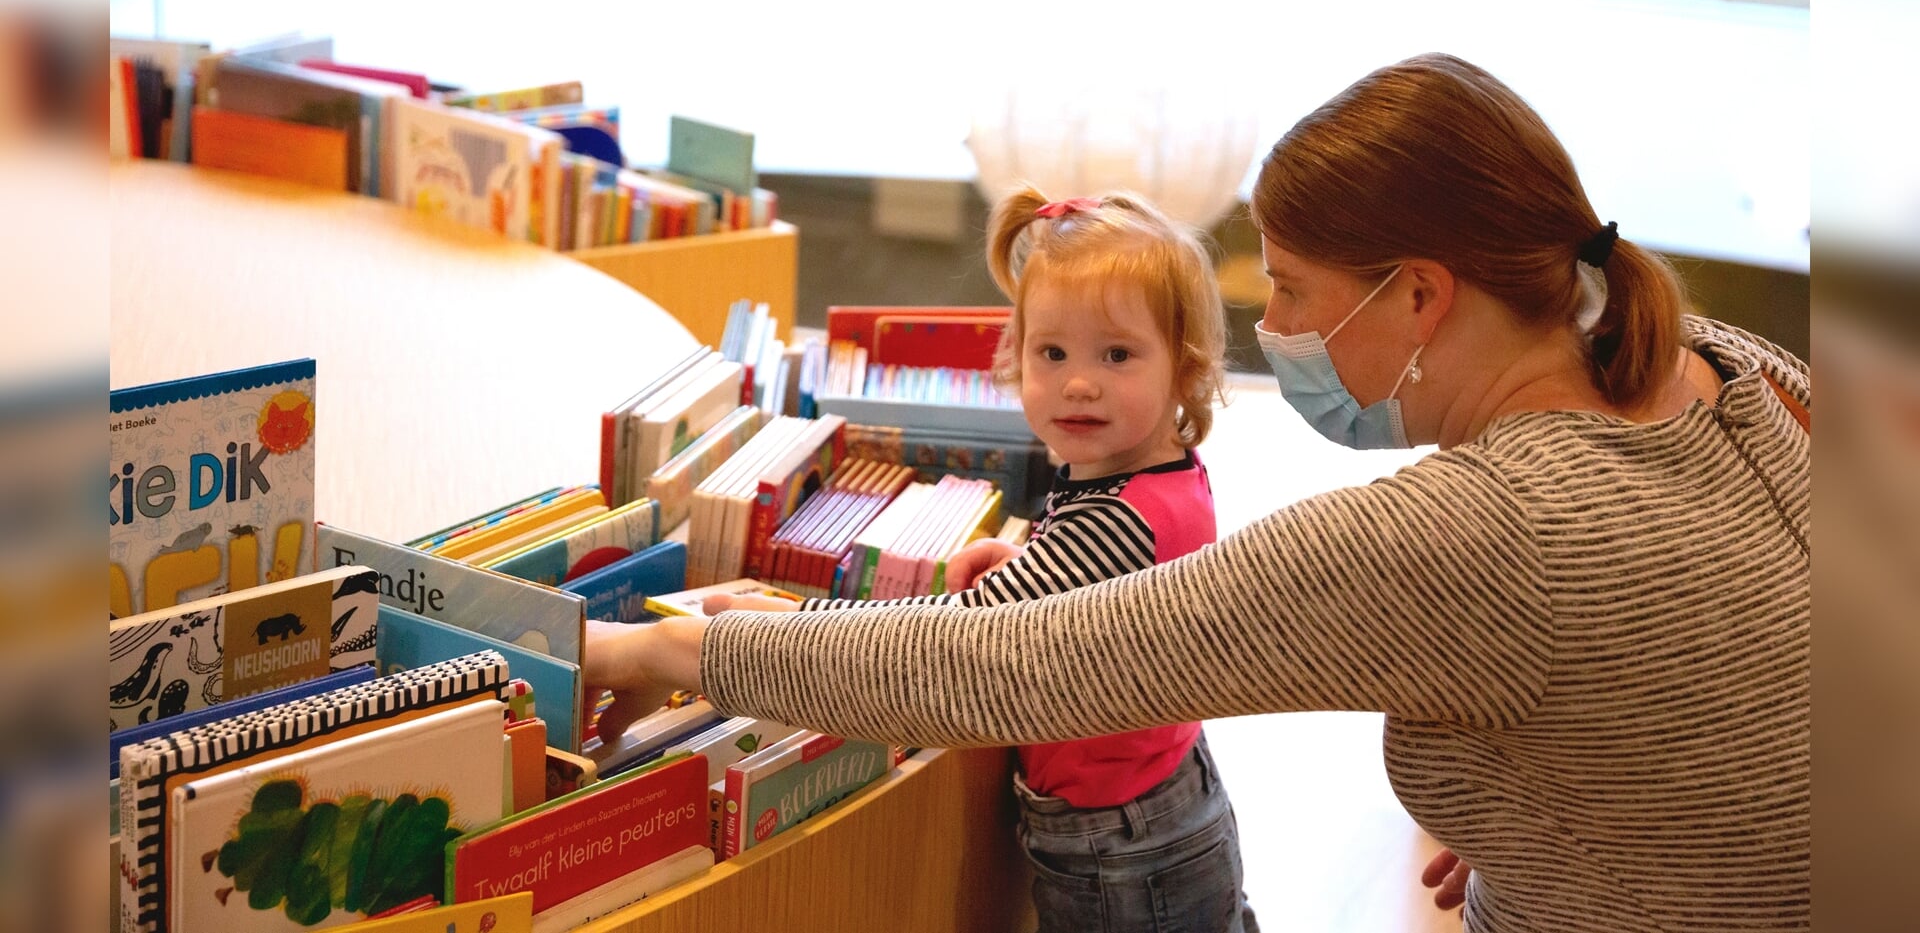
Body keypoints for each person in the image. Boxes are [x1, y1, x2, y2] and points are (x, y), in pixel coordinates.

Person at [587, 53, 1810, 932]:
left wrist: (680, 654)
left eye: (1290, 290)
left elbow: (1010, 667)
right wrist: (1580, 812)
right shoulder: (1728, 364)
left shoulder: (1491, 527)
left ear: (1422, 296)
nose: (1269, 328)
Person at [701, 186, 1259, 933]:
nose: (1079, 380)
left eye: (1117, 354)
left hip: (1119, 846)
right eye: (1051, 352)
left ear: (1183, 366)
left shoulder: (1117, 515)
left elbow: (953, 638)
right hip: (1168, 790)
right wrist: (1028, 552)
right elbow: (1105, 577)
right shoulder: (1156, 466)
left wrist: (787, 622)